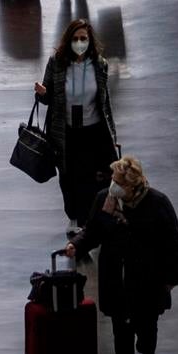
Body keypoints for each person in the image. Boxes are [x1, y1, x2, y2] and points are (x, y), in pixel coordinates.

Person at [66, 155, 178, 354]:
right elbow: (92, 231)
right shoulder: (104, 200)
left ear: (132, 186)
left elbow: (173, 244)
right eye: (112, 180)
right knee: (121, 333)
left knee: (148, 326)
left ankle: (148, 350)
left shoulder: (157, 203)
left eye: (118, 182)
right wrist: (76, 244)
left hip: (147, 283)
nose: (113, 185)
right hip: (116, 281)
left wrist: (171, 280)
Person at [33, 18, 119, 227]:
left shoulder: (100, 65)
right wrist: (42, 93)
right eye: (76, 38)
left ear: (90, 41)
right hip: (67, 132)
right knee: (69, 177)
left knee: (94, 177)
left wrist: (112, 135)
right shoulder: (57, 63)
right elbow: (46, 97)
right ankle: (73, 216)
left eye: (84, 39)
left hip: (94, 130)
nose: (80, 42)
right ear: (68, 40)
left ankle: (90, 220)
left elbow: (104, 101)